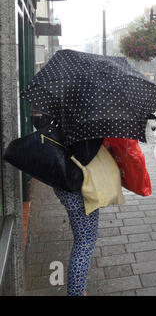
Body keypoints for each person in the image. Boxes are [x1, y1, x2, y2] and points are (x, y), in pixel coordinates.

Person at [32, 113, 103, 296]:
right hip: (77, 186)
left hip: (63, 183)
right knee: (85, 242)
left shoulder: (56, 113)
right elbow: (86, 155)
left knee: (82, 240)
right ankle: (77, 292)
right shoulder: (83, 120)